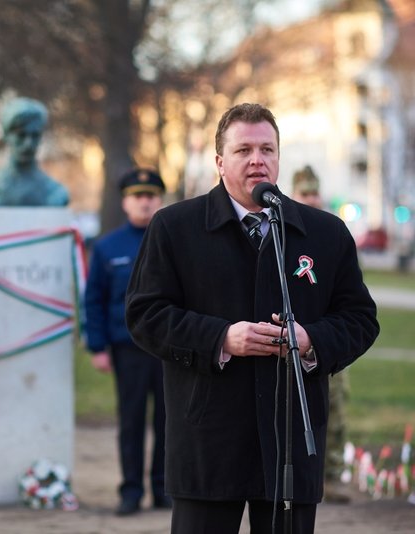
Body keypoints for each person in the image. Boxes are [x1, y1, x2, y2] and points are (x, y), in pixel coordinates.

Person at [125, 103, 379, 534]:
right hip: (207, 438)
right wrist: (221, 338)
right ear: (220, 162)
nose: (257, 160)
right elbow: (145, 314)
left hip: (290, 444)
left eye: (267, 149)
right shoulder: (175, 227)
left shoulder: (324, 233)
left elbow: (359, 318)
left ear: (279, 158)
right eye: (243, 150)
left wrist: (310, 339)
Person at [84, 168, 169, 516]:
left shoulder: (174, 239)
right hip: (127, 347)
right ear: (125, 202)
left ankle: (164, 488)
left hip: (169, 348)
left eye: (150, 196)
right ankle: (130, 490)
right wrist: (97, 346)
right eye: (138, 196)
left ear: (160, 200)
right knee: (131, 421)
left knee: (169, 421)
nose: (144, 202)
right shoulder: (107, 247)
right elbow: (94, 300)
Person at [291, 165, 351, 504]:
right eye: (304, 194)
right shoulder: (287, 232)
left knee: (337, 406)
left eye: (315, 193)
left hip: (328, 336)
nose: (311, 199)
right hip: (295, 338)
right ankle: (310, 473)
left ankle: (332, 473)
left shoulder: (332, 234)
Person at [0, 97, 69, 206]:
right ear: (6, 136)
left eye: (35, 135)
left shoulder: (55, 193)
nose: (28, 144)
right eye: (21, 135)